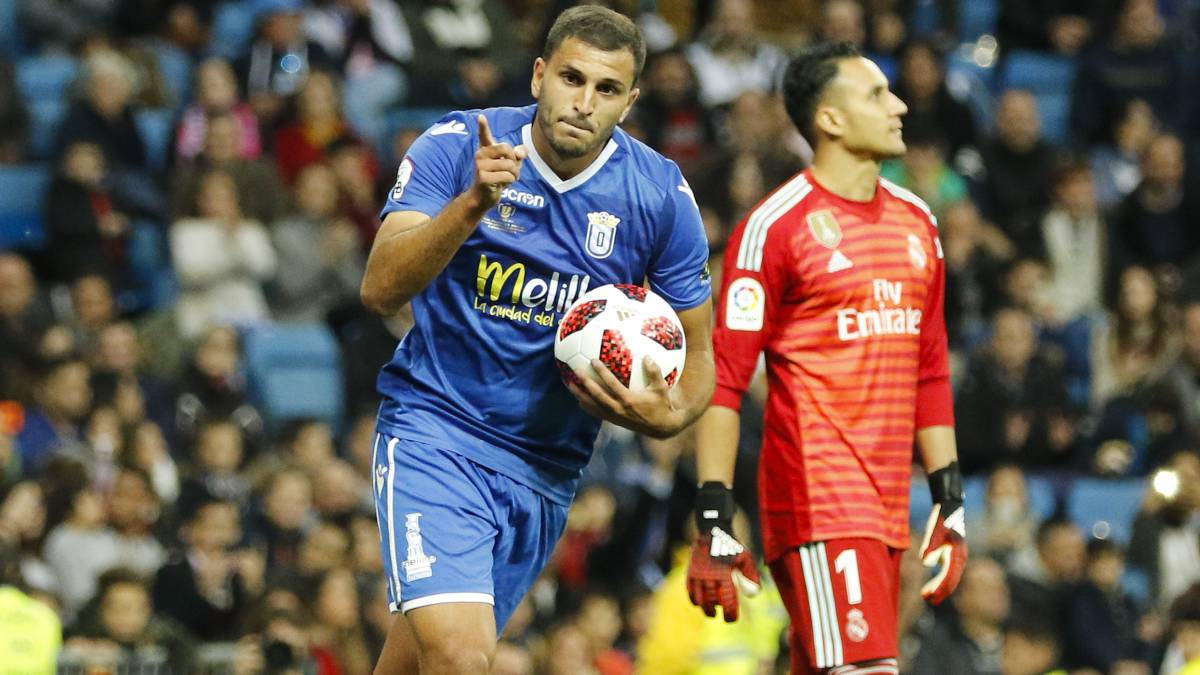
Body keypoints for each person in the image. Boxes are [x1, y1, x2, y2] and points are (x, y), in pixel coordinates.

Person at [359, 7, 714, 674]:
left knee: (416, 660)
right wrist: (470, 206)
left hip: (546, 470)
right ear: (539, 74)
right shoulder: (458, 143)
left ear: (631, 100)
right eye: (571, 79)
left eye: (607, 90)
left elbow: (701, 355)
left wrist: (669, 414)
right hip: (438, 431)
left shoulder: (660, 194)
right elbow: (379, 287)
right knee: (465, 656)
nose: (583, 103)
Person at [686, 42, 967, 674]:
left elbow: (932, 370)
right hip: (819, 500)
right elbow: (726, 381)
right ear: (830, 119)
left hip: (889, 507)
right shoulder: (775, 227)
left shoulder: (920, 224)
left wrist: (949, 503)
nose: (897, 105)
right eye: (875, 94)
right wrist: (714, 515)